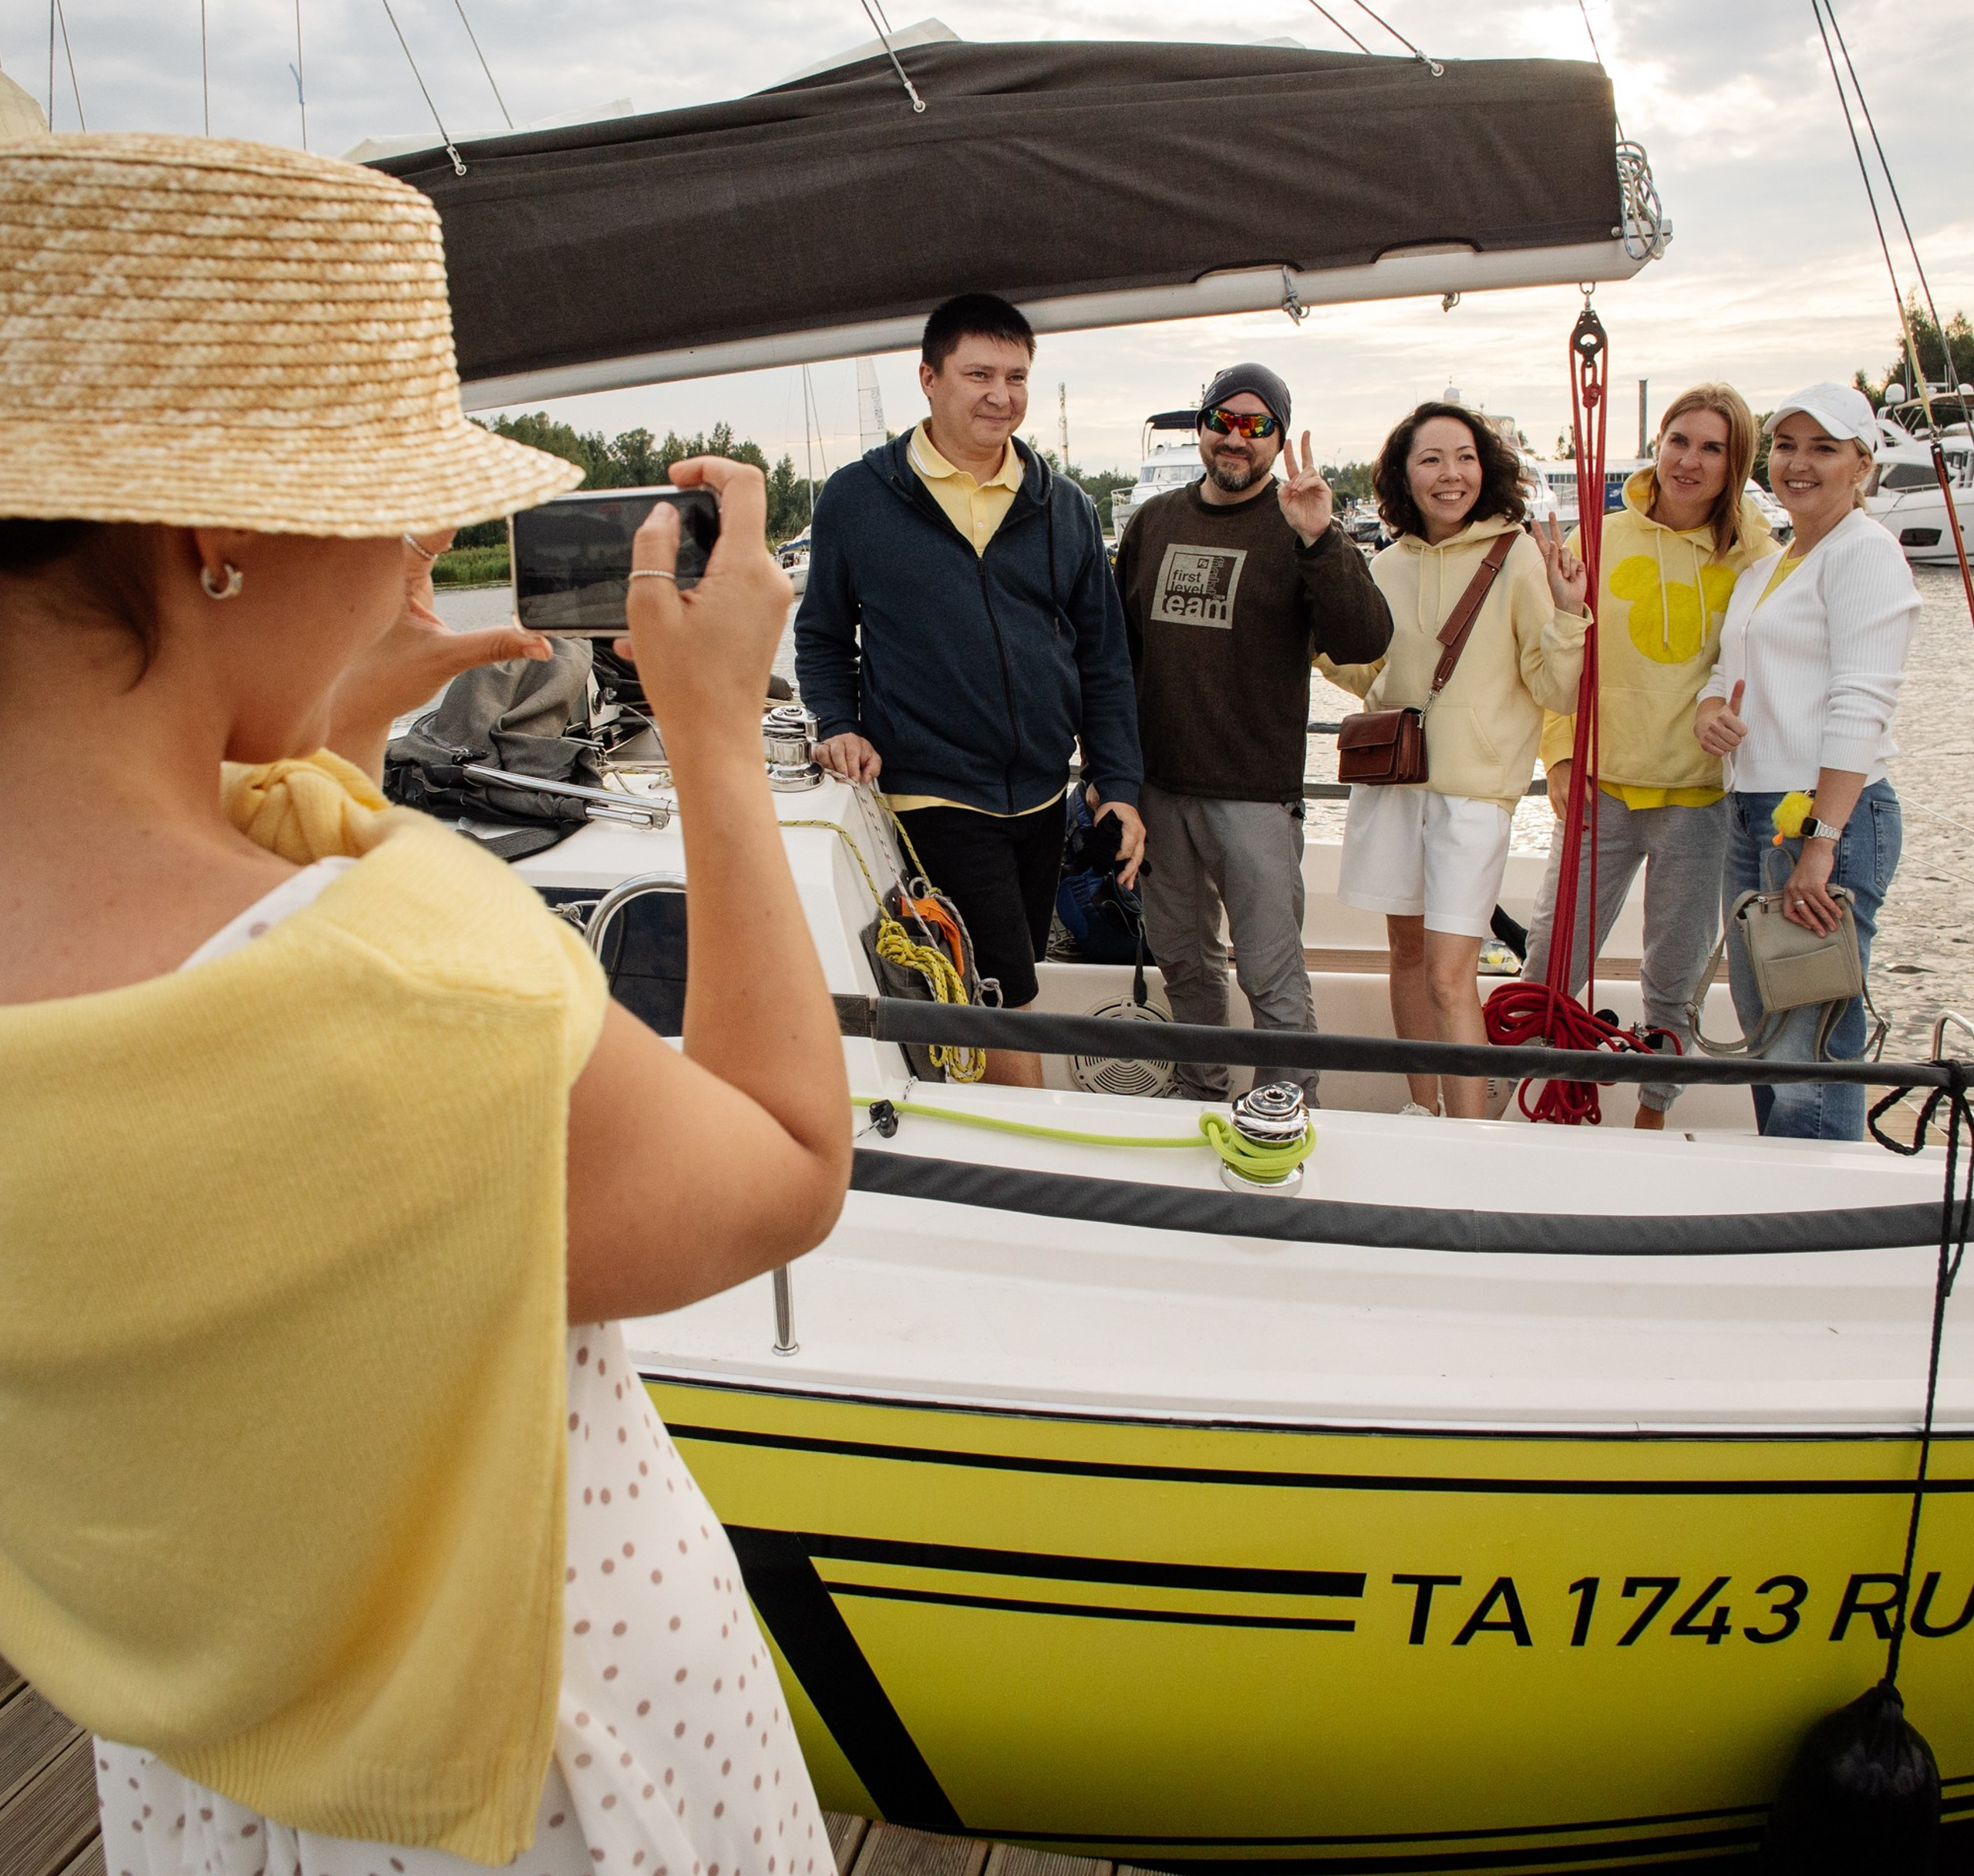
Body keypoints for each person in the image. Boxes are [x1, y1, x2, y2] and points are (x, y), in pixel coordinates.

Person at [0, 133, 850, 1876]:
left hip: (199, 1784)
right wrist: (710, 729)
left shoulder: (272, 932)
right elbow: (783, 1158)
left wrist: (324, 723)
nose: (431, 543)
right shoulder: (414, 978)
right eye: (399, 492)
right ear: (221, 528)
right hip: (543, 1771)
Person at [795, 292, 1144, 1086]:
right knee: (1005, 997)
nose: (1001, 395)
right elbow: (822, 635)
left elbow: (1104, 659)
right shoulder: (857, 498)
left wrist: (1117, 783)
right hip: (934, 795)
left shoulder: (1064, 507)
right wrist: (838, 721)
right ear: (929, 379)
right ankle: (1036, 1154)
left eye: (1016, 377)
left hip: (1042, 799)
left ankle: (976, 1128)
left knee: (1000, 977)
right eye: (979, 374)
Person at [1115, 363, 1391, 1100]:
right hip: (1158, 791)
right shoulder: (1153, 523)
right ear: (1202, 427)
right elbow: (1116, 657)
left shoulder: (1299, 527)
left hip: (1256, 798)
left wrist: (1320, 539)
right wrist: (1111, 779)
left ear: (1278, 437)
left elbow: (1364, 639)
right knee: (1184, 965)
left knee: (1271, 976)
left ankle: (1287, 1113)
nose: (1237, 438)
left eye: (1257, 425)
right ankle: (1199, 1095)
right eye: (1223, 421)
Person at [1326, 401, 1589, 1120]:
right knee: (1406, 959)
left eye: (1466, 458)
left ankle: (1471, 1134)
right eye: (1432, 459)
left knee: (1449, 975)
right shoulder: (1385, 566)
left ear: (1486, 468)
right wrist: (1315, 634)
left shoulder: (1519, 557)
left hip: (1474, 795)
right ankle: (1423, 1112)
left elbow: (1557, 689)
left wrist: (1569, 614)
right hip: (1394, 784)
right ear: (1404, 476)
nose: (1452, 474)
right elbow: (1368, 672)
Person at [1526, 383, 1777, 1129]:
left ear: (1735, 464)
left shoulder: (1757, 558)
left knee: (1672, 975)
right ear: (1658, 445)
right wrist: (1559, 757)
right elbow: (1561, 655)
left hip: (1700, 800)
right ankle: (1543, 1100)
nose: (1689, 461)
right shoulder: (1598, 538)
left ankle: (1653, 1114)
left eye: (1712, 448)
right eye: (1679, 441)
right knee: (1549, 963)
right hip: (1600, 787)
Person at [1696, 382, 1921, 1141]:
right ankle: (1784, 1187)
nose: (1798, 463)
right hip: (1753, 814)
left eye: (1823, 448)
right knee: (1767, 1033)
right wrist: (1709, 713)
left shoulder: (1865, 554)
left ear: (1861, 465)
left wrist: (1821, 842)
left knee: (1809, 1048)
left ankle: (1819, 1200)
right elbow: (1722, 675)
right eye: (1786, 446)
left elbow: (1861, 702)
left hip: (1822, 820)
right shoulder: (1769, 568)